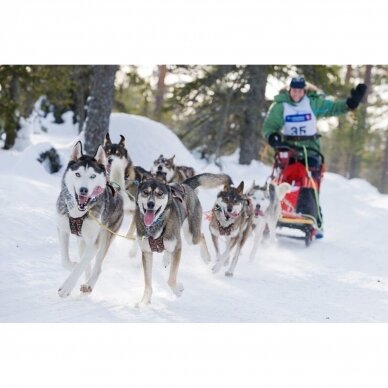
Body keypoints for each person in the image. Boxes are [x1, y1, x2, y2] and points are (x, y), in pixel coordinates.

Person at [262, 76, 367, 238]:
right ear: (289, 90)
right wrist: (274, 138)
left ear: (304, 91)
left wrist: (350, 103)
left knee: (310, 181)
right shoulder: (280, 106)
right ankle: (275, 209)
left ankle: (313, 218)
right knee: (282, 179)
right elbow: (270, 127)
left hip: (310, 150)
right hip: (288, 148)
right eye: (294, 90)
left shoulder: (312, 103)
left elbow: (333, 108)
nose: (296, 94)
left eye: (300, 90)